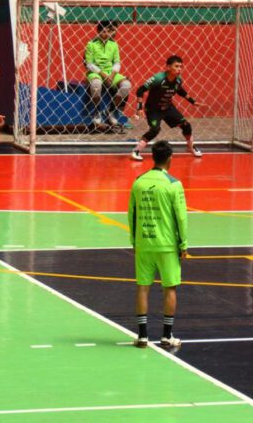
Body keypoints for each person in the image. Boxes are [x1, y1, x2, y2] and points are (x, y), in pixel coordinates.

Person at [128, 141, 189, 349]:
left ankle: (142, 336)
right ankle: (166, 335)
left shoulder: (138, 181)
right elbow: (181, 217)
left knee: (142, 288)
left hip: (144, 243)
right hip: (167, 245)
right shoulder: (173, 184)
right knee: (169, 288)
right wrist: (184, 244)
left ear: (152, 156)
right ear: (170, 158)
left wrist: (134, 241)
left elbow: (132, 214)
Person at [130, 55, 202, 161]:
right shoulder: (158, 78)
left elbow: (180, 91)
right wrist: (139, 108)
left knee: (186, 125)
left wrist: (193, 102)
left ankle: (191, 147)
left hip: (168, 107)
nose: (179, 69)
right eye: (176, 66)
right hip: (153, 109)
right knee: (155, 130)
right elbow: (140, 90)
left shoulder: (178, 80)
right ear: (168, 67)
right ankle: (136, 150)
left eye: (181, 67)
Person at [84, 19, 132, 128]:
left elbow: (117, 63)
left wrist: (112, 75)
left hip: (111, 72)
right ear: (99, 32)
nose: (106, 34)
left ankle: (111, 110)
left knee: (127, 85)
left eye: (108, 32)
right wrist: (103, 75)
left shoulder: (114, 45)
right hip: (95, 72)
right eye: (103, 32)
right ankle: (97, 111)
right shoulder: (91, 44)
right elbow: (89, 64)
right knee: (96, 84)